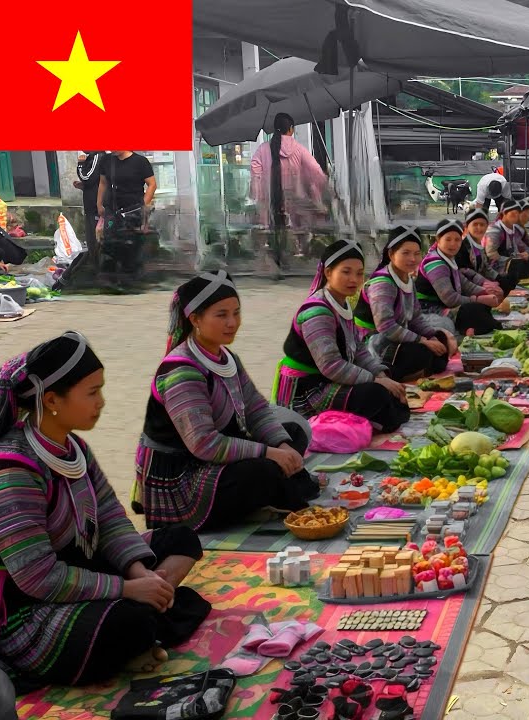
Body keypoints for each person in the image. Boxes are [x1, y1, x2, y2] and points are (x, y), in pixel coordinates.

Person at [0, 331, 209, 690]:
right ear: (51, 400)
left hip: (75, 564)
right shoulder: (9, 471)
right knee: (131, 621)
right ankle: (145, 621)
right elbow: (37, 577)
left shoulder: (74, 448)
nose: (102, 402)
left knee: (182, 540)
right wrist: (126, 589)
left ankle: (150, 611)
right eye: (92, 392)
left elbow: (110, 518)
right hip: (16, 609)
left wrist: (140, 573)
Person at [135, 271, 318, 532]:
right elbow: (204, 444)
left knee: (292, 434)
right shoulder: (182, 371)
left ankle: (266, 493)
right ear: (195, 319)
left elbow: (256, 409)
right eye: (221, 315)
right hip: (182, 474)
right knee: (263, 471)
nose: (232, 322)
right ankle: (258, 499)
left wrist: (282, 445)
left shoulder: (226, 357)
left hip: (215, 456)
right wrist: (269, 453)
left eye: (236, 313)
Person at [275, 240, 410, 432]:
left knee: (391, 387)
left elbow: (359, 349)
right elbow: (331, 365)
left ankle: (370, 418)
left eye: (359, 273)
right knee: (377, 394)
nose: (354, 279)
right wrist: (375, 381)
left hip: (329, 380)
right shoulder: (317, 312)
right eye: (346, 272)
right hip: (307, 390)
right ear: (328, 273)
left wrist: (380, 374)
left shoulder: (342, 304)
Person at [355, 225, 456, 381]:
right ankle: (403, 372)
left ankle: (419, 370)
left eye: (416, 253)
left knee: (440, 338)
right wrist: (422, 340)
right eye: (406, 253)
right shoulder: (382, 283)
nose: (412, 259)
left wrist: (431, 336)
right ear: (391, 254)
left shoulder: (407, 278)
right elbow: (385, 326)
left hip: (397, 337)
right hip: (375, 341)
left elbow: (415, 317)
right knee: (420, 352)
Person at [250, 113, 329, 261]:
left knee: (274, 237)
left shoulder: (263, 150)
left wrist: (260, 195)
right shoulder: (299, 150)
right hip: (296, 205)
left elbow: (255, 173)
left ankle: (277, 261)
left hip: (271, 205)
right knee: (296, 238)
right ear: (291, 129)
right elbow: (316, 172)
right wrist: (327, 188)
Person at [418, 220, 503, 337]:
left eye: (457, 240)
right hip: (427, 309)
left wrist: (486, 291)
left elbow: (465, 283)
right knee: (465, 315)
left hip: (444, 306)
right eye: (448, 239)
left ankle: (470, 328)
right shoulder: (435, 264)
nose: (453, 244)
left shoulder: (448, 258)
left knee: (477, 310)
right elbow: (451, 299)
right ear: (438, 239)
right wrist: (480, 299)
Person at [96, 151, 156, 275]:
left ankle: (131, 275)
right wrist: (99, 203)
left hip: (133, 211)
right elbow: (103, 183)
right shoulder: (107, 160)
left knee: (131, 246)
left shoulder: (140, 161)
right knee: (109, 243)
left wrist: (142, 205)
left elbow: (152, 184)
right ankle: (112, 277)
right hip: (112, 212)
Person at [485, 199, 529, 289]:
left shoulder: (514, 229)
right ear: (504, 213)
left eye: (517, 214)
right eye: (512, 214)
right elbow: (491, 254)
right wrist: (513, 260)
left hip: (508, 266)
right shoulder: (495, 231)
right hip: (495, 270)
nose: (515, 217)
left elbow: (526, 246)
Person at [456, 208, 508, 295]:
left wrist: (498, 277)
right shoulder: (462, 247)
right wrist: (486, 283)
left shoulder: (478, 245)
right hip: (466, 290)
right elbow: (464, 271)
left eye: (482, 224)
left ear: (487, 226)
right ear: (467, 226)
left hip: (478, 285)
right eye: (475, 224)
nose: (479, 228)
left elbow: (485, 267)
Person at [74, 151, 107, 260]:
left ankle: (98, 265)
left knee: (96, 239)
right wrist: (83, 186)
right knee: (92, 239)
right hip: (91, 206)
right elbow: (93, 181)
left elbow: (87, 177)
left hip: (95, 207)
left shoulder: (97, 156)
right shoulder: (92, 157)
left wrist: (80, 164)